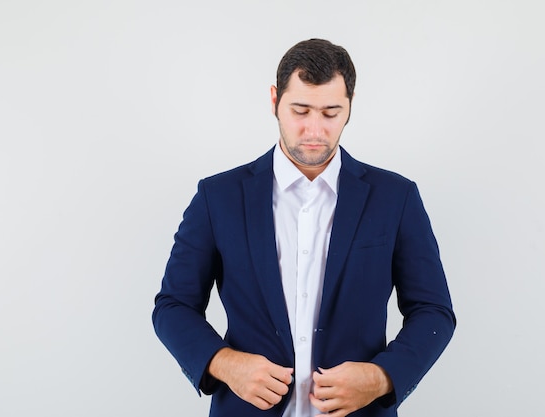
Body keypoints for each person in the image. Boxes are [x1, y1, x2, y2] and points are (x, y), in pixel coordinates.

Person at [152, 38, 455, 417]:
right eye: (300, 110)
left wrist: (381, 377)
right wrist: (226, 364)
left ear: (350, 108)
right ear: (274, 100)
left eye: (330, 113)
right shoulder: (218, 197)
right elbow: (173, 305)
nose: (314, 129)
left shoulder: (396, 198)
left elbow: (433, 310)